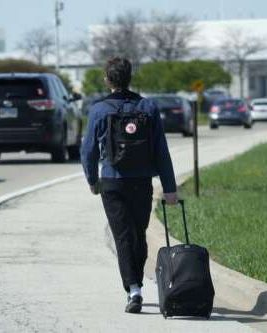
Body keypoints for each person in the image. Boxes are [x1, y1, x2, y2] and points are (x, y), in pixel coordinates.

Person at [80, 57, 178, 314]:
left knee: (123, 237)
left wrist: (92, 180)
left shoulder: (99, 110)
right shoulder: (148, 107)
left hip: (112, 181)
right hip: (141, 182)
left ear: (107, 79)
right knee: (138, 234)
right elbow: (161, 151)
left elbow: (88, 150)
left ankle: (133, 289)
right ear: (130, 77)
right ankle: (135, 282)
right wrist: (170, 188)